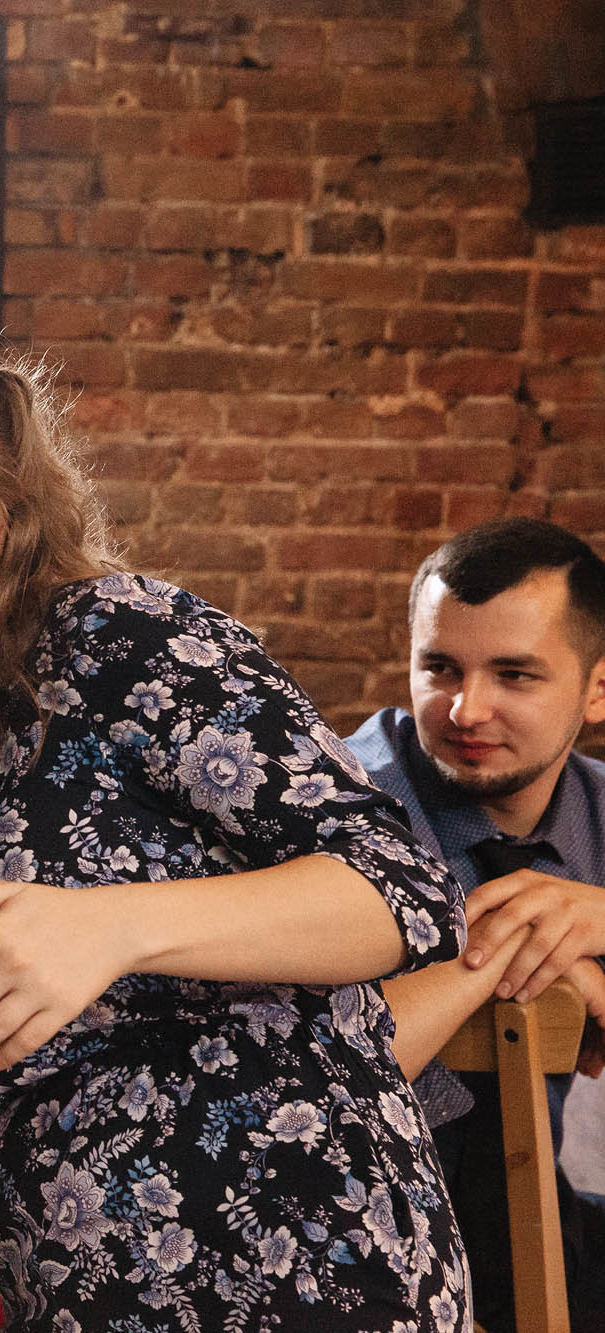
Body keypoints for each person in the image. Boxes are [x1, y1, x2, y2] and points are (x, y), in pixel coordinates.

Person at [0, 297, 470, 1332]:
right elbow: (32, 1115)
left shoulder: (116, 642)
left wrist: (115, 924)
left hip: (309, 1281)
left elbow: (403, 893)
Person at [346, 517, 605, 1333]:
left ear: (598, 689)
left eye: (515, 675)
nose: (467, 708)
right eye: (440, 667)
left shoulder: (599, 813)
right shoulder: (335, 804)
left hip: (536, 1217)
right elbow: (316, 1068)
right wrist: (511, 963)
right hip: (341, 1227)